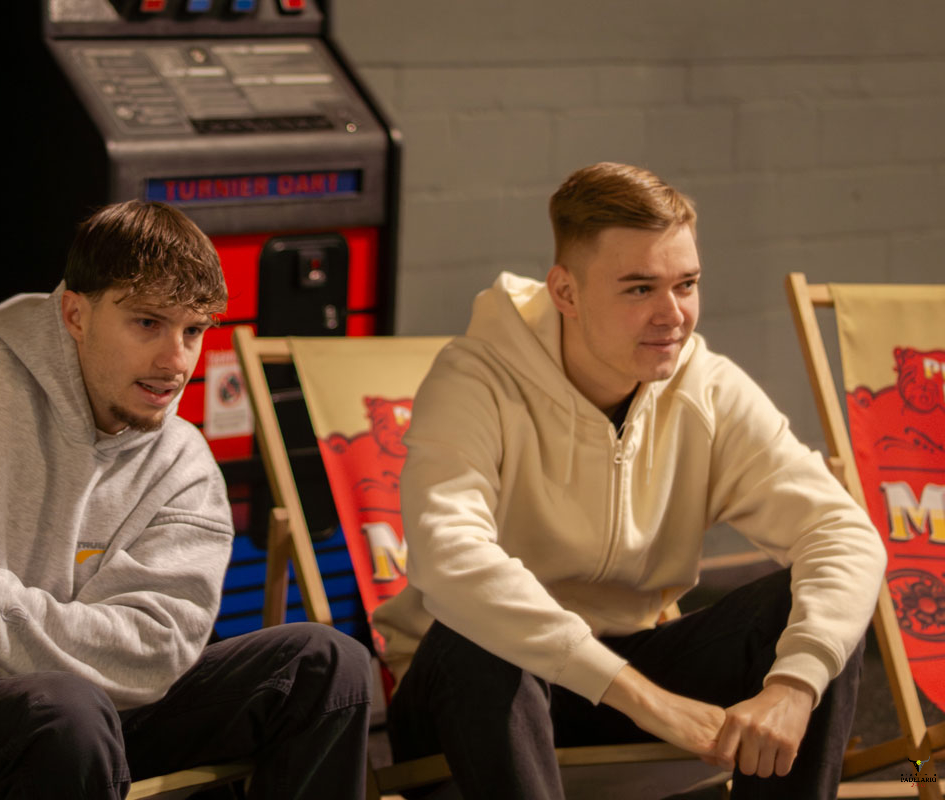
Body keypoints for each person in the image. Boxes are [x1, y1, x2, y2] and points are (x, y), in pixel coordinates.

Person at [0, 200, 372, 800]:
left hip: (115, 708)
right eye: (148, 323)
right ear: (75, 314)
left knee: (327, 662)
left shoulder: (184, 462)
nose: (177, 361)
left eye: (193, 330)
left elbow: (155, 654)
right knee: (68, 710)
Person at [371, 162, 887, 799]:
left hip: (630, 667)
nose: (673, 314)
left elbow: (844, 533)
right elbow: (449, 559)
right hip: (474, 699)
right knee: (481, 633)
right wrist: (648, 703)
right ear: (565, 292)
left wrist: (793, 686)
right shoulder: (476, 379)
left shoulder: (707, 387)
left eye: (687, 284)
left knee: (807, 610)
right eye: (640, 288)